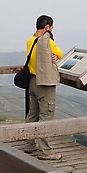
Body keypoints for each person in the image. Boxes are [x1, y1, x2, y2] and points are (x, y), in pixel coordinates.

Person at [24, 15, 63, 160]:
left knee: (32, 115)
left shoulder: (30, 41)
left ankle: (29, 144)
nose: (52, 30)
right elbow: (60, 54)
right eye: (52, 27)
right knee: (46, 116)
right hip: (45, 85)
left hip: (32, 82)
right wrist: (54, 55)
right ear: (47, 27)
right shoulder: (48, 42)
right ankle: (46, 152)